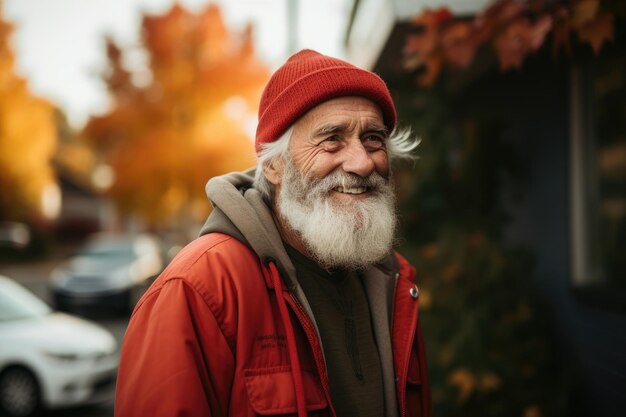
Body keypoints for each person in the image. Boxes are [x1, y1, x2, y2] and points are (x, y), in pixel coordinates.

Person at [115, 49, 430, 417]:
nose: (362, 163)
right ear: (274, 166)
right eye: (332, 139)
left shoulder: (393, 281)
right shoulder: (199, 288)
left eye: (373, 139)